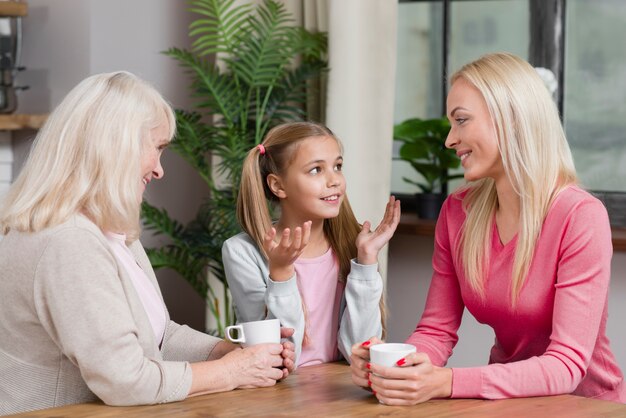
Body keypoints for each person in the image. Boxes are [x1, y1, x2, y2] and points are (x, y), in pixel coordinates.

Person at [0, 71, 295, 415]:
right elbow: (125, 379)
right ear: (115, 147)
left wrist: (229, 352)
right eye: (156, 149)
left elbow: (157, 336)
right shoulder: (69, 242)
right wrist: (233, 372)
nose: (159, 170)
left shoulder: (109, 228)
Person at [350, 52, 626, 404]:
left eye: (461, 121)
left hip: (584, 405)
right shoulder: (458, 213)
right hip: (505, 404)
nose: (450, 140)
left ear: (511, 119)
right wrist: (395, 368)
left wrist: (446, 383)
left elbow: (566, 365)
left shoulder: (580, 217)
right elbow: (436, 331)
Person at [222, 121, 401, 367]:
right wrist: (282, 273)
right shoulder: (242, 252)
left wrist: (367, 261)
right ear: (278, 185)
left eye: (337, 166)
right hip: (276, 396)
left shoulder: (352, 245)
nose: (335, 180)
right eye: (316, 170)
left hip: (341, 393)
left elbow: (359, 352)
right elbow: (279, 359)